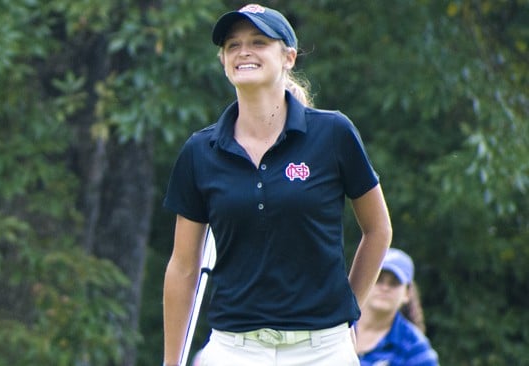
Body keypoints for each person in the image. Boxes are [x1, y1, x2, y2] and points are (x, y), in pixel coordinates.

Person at [162, 4, 392, 366]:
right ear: (223, 60)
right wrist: (171, 362)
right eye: (233, 45)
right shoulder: (199, 151)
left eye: (258, 42)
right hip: (233, 350)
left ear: (288, 56)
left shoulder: (333, 133)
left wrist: (349, 310)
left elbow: (378, 230)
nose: (244, 52)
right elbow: (183, 266)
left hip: (323, 351)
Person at [356, 248, 439, 365]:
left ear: (407, 294)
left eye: (394, 283)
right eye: (378, 279)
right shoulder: (339, 324)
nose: (385, 288)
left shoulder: (415, 347)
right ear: (366, 281)